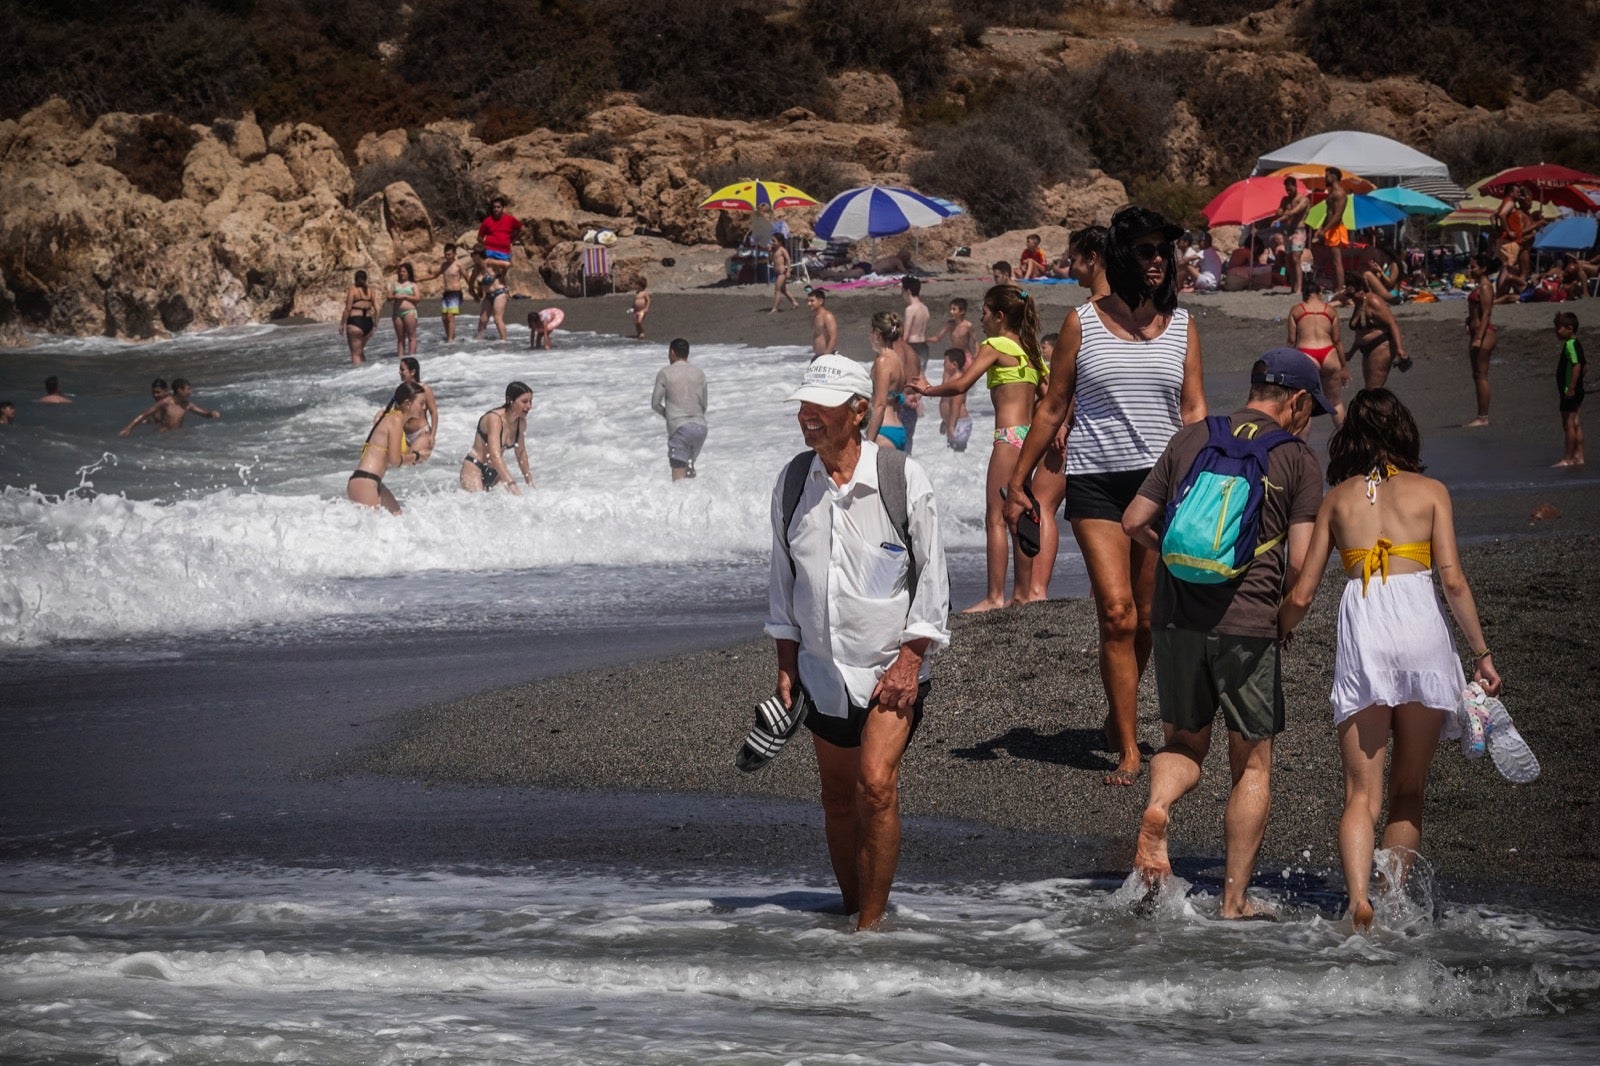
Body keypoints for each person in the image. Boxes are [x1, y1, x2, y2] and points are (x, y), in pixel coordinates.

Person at [1279, 388, 1501, 930]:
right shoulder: (1431, 493)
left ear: (1351, 437)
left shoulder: (1338, 500)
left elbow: (1304, 592)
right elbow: (1452, 579)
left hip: (1367, 637)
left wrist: (1276, 631)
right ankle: (1394, 899)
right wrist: (1482, 653)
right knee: (1408, 790)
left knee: (1361, 793)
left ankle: (1360, 901)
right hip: (1423, 636)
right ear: (1404, 431)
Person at [1003, 205, 1207, 786]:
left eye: (1163, 251)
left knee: (1145, 621)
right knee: (1116, 613)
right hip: (1096, 483)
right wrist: (1019, 481)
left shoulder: (1184, 325)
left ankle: (1116, 717)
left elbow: (1193, 411)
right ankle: (1129, 748)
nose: (1157, 261)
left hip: (1160, 486)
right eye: (1145, 250)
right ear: (1121, 255)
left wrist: (1206, 477)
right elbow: (1052, 406)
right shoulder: (1081, 323)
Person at [1123, 349, 1327, 917]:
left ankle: (1160, 805)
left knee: (1183, 744)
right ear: (1297, 401)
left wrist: (1173, 555)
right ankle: (1233, 902)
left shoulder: (1190, 437)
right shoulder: (1296, 458)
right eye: (1311, 410)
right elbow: (1304, 577)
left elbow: (1134, 522)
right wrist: (1283, 622)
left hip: (1173, 617)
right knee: (1252, 763)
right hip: (1248, 622)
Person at [765, 354, 951, 930]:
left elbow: (934, 578)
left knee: (874, 785)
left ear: (858, 410)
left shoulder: (899, 477)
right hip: (821, 672)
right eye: (803, 408)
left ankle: (870, 931)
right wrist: (786, 665)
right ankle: (852, 914)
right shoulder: (795, 481)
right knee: (838, 799)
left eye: (819, 409)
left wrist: (910, 660)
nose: (806, 418)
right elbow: (782, 583)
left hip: (889, 668)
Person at [910, 284, 1047, 612]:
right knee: (1022, 513)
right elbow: (1050, 393)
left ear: (1000, 316)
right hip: (1029, 439)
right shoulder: (1030, 351)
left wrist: (928, 390)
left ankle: (995, 597)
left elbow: (962, 383)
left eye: (985, 313)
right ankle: (1023, 594)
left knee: (996, 517)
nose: (981, 320)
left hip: (1008, 438)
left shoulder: (996, 344)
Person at [347, 381, 430, 515]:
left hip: (372, 481)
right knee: (375, 532)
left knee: (398, 518)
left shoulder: (395, 420)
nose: (424, 407)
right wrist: (417, 456)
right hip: (365, 481)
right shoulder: (395, 420)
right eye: (421, 403)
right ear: (408, 403)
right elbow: (395, 460)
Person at [1287, 277, 1347, 425]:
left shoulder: (1296, 310)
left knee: (1305, 405)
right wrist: (1344, 367)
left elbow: (1291, 341)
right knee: (1336, 403)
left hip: (1307, 353)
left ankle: (1301, 447)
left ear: (1304, 294)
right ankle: (1348, 441)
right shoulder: (1330, 310)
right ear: (1319, 293)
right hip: (1329, 354)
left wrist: (1287, 364)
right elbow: (1337, 341)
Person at [460, 381, 533, 494]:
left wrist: (529, 482)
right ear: (510, 400)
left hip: (495, 472)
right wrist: (511, 484)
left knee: (511, 504)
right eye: (524, 401)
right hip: (474, 467)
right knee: (479, 505)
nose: (529, 406)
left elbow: (521, 453)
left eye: (530, 401)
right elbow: (495, 455)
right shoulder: (495, 419)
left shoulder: (521, 423)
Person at [651, 338, 708, 481]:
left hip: (680, 428)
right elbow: (704, 405)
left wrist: (668, 415)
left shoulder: (665, 373)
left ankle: (680, 501)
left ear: (672, 352)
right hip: (700, 428)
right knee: (688, 470)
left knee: (678, 479)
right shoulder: (699, 373)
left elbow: (655, 403)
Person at [929, 297, 978, 447]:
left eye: (954, 309)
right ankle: (948, 418)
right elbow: (938, 337)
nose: (951, 312)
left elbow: (975, 341)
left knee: (959, 391)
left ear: (962, 311)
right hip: (953, 357)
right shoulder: (950, 325)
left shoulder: (967, 325)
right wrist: (921, 339)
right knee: (946, 387)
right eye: (950, 309)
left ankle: (956, 417)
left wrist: (976, 356)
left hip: (965, 357)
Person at [1345, 278, 1409, 391]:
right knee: (1370, 389)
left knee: (1374, 390)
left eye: (1352, 294)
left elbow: (1392, 323)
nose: (1350, 297)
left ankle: (1382, 408)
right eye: (1347, 294)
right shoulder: (1359, 303)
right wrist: (1351, 352)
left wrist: (1400, 349)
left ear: (1361, 291)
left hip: (1380, 347)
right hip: (1367, 349)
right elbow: (1360, 334)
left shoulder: (1373, 301)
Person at [866, 312, 911, 452]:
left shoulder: (883, 361)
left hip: (883, 432)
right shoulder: (897, 360)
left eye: (871, 331)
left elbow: (880, 404)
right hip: (898, 429)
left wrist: (868, 443)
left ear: (877, 333)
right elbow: (897, 399)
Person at [1465, 254, 1498, 427]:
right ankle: (1480, 415)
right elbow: (1477, 311)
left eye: (1473, 267)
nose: (1470, 270)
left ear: (1483, 268)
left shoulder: (1485, 287)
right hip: (1477, 332)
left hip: (1484, 335)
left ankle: (1483, 417)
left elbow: (1487, 313)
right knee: (1477, 375)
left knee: (1481, 376)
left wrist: (1478, 337)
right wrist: (1468, 321)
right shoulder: (1480, 286)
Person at [1555, 311, 1586, 467]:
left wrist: (1572, 387)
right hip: (1577, 390)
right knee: (1575, 422)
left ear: (1569, 328)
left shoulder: (1570, 345)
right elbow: (1585, 366)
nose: (1556, 331)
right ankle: (1579, 456)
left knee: (1568, 424)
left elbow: (1577, 366)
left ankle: (1568, 458)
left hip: (1570, 391)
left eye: (1558, 328)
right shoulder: (1577, 343)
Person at [1270, 177, 1312, 292]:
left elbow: (1295, 211)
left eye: (1290, 188)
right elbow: (1278, 211)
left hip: (1299, 230)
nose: (1288, 191)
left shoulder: (1303, 199)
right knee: (1288, 259)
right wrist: (1281, 214)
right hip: (1287, 231)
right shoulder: (1285, 199)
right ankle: (1293, 286)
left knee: (1296, 258)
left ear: (1295, 186)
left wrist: (1280, 218)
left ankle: (1299, 288)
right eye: (1286, 189)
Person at [398, 357, 439, 456]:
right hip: (405, 436)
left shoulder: (424, 389)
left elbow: (433, 412)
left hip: (421, 434)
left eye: (402, 369)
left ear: (412, 372)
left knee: (411, 465)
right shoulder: (401, 390)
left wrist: (432, 436)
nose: (399, 372)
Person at [1318, 167, 1350, 293]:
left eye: (1327, 176)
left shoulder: (1340, 193)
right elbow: (1329, 213)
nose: (1325, 178)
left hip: (1336, 229)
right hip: (1330, 228)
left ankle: (1340, 289)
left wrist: (1324, 229)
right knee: (1332, 260)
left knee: (1337, 260)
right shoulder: (1331, 192)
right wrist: (1321, 227)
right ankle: (1335, 286)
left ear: (1334, 176)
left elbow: (1337, 215)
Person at [477, 197, 523, 276]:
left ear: (503, 208)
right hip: (489, 251)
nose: (496, 209)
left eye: (498, 207)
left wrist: (513, 240)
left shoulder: (510, 219)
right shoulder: (487, 221)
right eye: (494, 207)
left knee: (501, 275)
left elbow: (523, 230)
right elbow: (479, 238)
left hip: (503, 251)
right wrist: (486, 244)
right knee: (488, 274)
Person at [340, 270, 379, 364]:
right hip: (368, 323)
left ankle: (357, 375)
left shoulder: (353, 290)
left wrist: (342, 324)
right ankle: (365, 375)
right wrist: (375, 324)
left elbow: (348, 309)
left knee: (355, 353)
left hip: (355, 322)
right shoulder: (371, 291)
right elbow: (378, 308)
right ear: (366, 279)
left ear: (355, 279)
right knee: (360, 351)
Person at [474, 253, 510, 341]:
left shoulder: (489, 262)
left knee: (497, 319)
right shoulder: (477, 268)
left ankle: (504, 341)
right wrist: (476, 293)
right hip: (488, 295)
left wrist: (502, 275)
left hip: (500, 292)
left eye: (473, 255)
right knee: (483, 319)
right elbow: (473, 282)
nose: (472, 258)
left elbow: (507, 264)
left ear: (478, 256)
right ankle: (478, 340)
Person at [389, 263, 420, 358]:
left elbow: (418, 298)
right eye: (400, 271)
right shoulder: (395, 284)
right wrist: (395, 296)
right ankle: (400, 358)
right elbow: (389, 297)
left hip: (409, 312)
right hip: (397, 313)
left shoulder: (413, 285)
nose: (402, 273)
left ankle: (412, 357)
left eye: (404, 272)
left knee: (411, 336)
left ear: (408, 273)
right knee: (400, 338)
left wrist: (405, 296)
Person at [901, 276, 930, 372]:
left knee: (911, 378)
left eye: (902, 292)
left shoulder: (910, 309)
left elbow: (906, 335)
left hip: (913, 346)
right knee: (921, 376)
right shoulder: (925, 308)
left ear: (908, 291)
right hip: (924, 346)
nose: (902, 295)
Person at [438, 244, 466, 342]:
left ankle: (450, 340)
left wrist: (474, 290)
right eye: (446, 254)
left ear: (454, 254)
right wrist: (419, 279)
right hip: (446, 293)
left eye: (449, 254)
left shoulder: (458, 265)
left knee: (450, 316)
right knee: (444, 317)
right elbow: (434, 275)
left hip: (455, 293)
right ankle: (450, 336)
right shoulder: (444, 265)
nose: (447, 256)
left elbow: (467, 277)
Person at [769, 236, 798, 313]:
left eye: (774, 241)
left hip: (782, 273)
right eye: (772, 241)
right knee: (784, 290)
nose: (772, 243)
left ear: (780, 242)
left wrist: (788, 271)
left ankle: (775, 308)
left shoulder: (782, 250)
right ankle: (794, 302)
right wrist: (769, 250)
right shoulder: (773, 249)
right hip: (777, 272)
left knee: (777, 290)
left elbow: (788, 260)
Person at [808, 287, 839, 359]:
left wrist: (826, 356)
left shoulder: (827, 316)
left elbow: (833, 337)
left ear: (821, 301)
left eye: (812, 301)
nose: (809, 304)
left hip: (827, 356)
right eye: (808, 301)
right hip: (817, 356)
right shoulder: (815, 317)